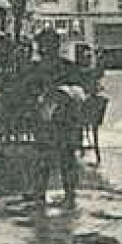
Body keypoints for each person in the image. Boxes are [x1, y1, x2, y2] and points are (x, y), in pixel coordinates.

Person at [31, 76, 87, 209]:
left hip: (59, 136)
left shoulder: (57, 95)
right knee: (67, 164)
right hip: (69, 136)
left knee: (45, 161)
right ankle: (69, 195)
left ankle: (40, 195)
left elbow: (47, 116)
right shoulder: (76, 92)